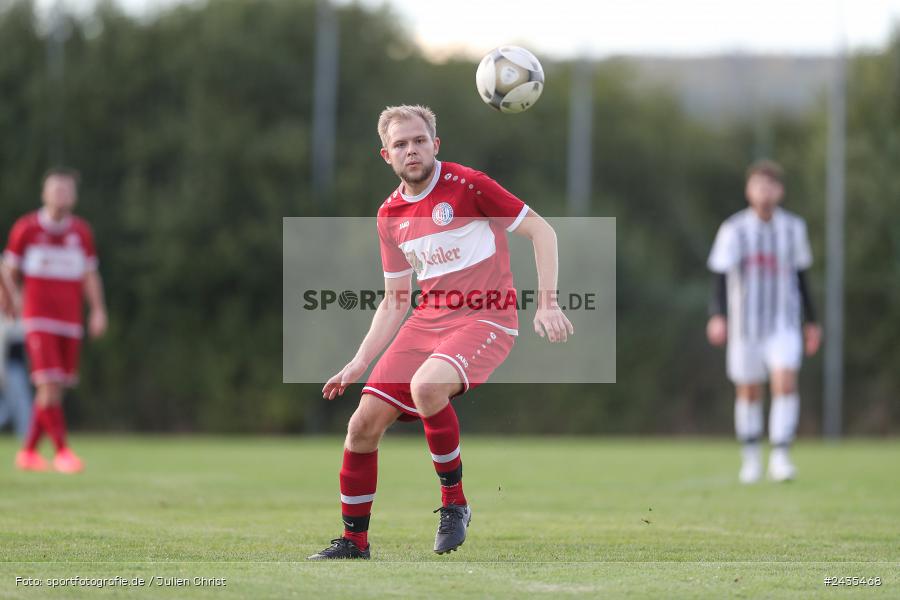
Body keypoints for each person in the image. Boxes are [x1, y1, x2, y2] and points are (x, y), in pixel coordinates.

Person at [307, 105, 573, 559]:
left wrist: (546, 302)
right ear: (386, 155)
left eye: (418, 141)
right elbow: (395, 301)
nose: (411, 150)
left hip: (486, 318)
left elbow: (542, 232)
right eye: (400, 144)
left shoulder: (470, 185)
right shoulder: (389, 215)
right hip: (426, 322)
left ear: (435, 145)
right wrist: (359, 361)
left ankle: (455, 503)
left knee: (427, 386)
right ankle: (354, 542)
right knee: (360, 427)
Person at [706, 159, 821, 484]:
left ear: (780, 191)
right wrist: (717, 315)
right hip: (745, 326)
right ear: (749, 190)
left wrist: (812, 321)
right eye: (759, 185)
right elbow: (719, 274)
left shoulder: (793, 228)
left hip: (783, 322)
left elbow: (802, 275)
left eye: (770, 185)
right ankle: (752, 458)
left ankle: (781, 455)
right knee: (749, 390)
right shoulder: (734, 229)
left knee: (785, 380)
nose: (764, 191)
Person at [1, 167, 108, 473]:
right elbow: (7, 271)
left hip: (70, 320)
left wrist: (98, 310)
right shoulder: (27, 229)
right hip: (38, 318)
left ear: (74, 196)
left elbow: (90, 274)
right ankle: (63, 452)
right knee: (48, 384)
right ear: (44, 194)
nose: (61, 195)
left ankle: (29, 452)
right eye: (55, 189)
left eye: (66, 190)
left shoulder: (81, 232)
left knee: (55, 388)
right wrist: (9, 300)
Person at [0, 317, 33, 439]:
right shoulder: (6, 325)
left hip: (19, 369)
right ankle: (25, 433)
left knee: (12, 405)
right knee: (20, 404)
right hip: (11, 370)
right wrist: (2, 373)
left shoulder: (20, 323)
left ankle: (25, 432)